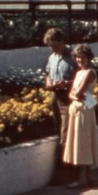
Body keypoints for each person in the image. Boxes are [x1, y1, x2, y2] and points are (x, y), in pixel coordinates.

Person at [63, 44, 98, 188]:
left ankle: (82, 178)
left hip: (84, 110)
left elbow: (78, 93)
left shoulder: (90, 72)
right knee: (79, 142)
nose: (80, 60)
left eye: (83, 57)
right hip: (77, 109)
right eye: (77, 57)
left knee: (83, 143)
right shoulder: (79, 73)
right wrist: (75, 95)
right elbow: (71, 94)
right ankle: (87, 176)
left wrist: (75, 95)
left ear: (88, 58)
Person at [43, 28, 75, 185]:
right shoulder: (52, 57)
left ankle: (64, 173)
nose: (52, 49)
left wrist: (66, 83)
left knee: (65, 136)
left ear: (62, 42)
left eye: (55, 45)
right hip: (55, 97)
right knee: (59, 133)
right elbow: (48, 73)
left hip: (68, 99)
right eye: (50, 46)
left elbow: (84, 77)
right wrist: (49, 81)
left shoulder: (73, 57)